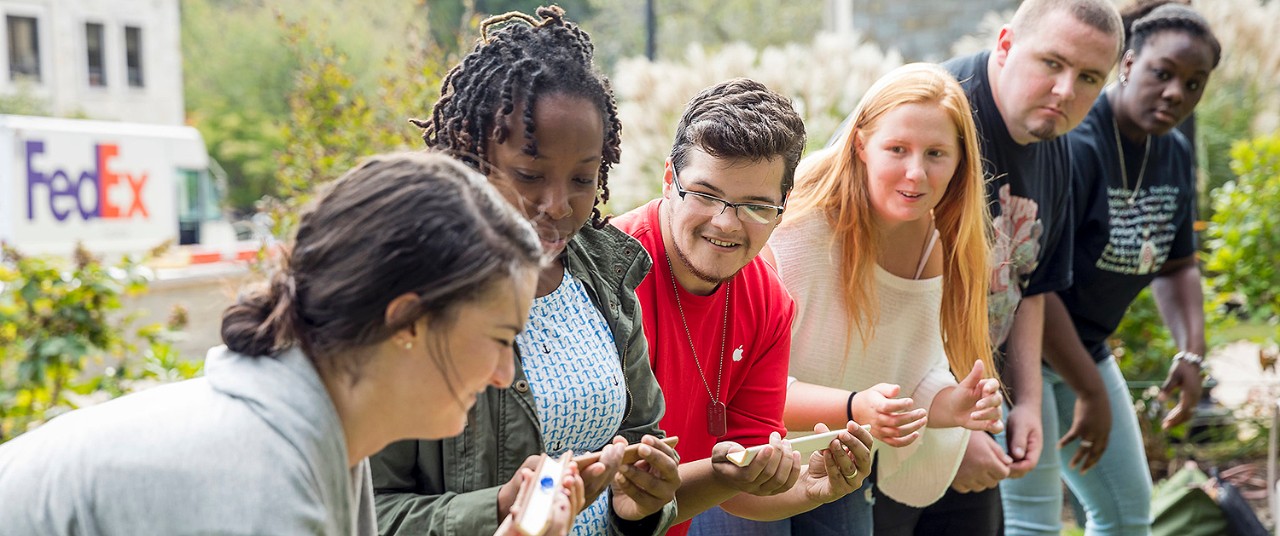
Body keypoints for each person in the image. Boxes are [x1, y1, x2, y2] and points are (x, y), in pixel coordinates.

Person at [0, 152, 573, 535]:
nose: (505, 372)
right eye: (501, 339)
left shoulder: (310, 432)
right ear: (409, 322)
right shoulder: (253, 472)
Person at [370, 7, 680, 536]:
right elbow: (368, 510)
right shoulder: (415, 296)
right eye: (529, 174)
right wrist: (499, 506)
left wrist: (644, 504)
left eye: (582, 179)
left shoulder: (608, 278)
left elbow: (642, 438)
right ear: (472, 155)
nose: (557, 205)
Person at [862, 1, 1124, 534]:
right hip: (885, 423)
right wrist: (949, 433)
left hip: (970, 415)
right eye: (1052, 63)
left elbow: (1031, 285)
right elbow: (866, 287)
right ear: (1004, 45)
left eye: (1089, 77)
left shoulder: (1056, 147)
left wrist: (1025, 400)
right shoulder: (932, 115)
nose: (1065, 90)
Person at [728, 63, 1001, 536]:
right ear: (860, 144)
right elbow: (742, 388)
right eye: (898, 149)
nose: (916, 172)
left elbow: (905, 374)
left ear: (960, 162)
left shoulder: (935, 242)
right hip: (748, 459)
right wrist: (855, 406)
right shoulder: (793, 226)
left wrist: (951, 405)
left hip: (839, 456)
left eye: (936, 153)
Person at [611, 78, 875, 536]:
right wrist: (722, 475)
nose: (726, 223)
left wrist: (812, 491)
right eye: (707, 194)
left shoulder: (770, 302)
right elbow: (607, 485)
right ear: (670, 179)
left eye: (756, 206)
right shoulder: (609, 276)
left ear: (782, 206)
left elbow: (739, 488)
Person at [1002, 4, 1220, 534]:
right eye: (1162, 74)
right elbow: (1037, 282)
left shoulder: (1172, 149)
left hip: (1087, 350)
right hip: (1018, 351)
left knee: (1127, 514)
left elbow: (1177, 266)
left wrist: (1192, 351)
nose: (1175, 93)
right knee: (1033, 519)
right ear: (1127, 64)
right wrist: (1090, 392)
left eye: (1194, 84)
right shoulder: (1077, 147)